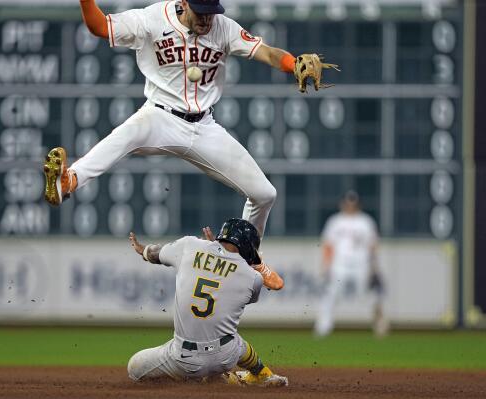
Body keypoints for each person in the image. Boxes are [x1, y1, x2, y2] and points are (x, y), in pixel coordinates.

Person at [43, 0, 337, 239]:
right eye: (202, 10)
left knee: (265, 194)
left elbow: (268, 53)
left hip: (204, 127)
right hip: (159, 115)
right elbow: (98, 26)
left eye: (212, 10)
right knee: (125, 135)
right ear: (183, 3)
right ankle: (69, 181)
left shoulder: (223, 28)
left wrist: (291, 62)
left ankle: (248, 258)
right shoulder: (151, 19)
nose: (208, 18)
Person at [127, 218, 288, 386]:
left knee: (135, 367)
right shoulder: (253, 277)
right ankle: (261, 375)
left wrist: (143, 250)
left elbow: (155, 254)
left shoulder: (189, 246)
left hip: (184, 358)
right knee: (236, 341)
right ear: (248, 246)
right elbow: (225, 295)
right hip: (226, 356)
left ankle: (192, 380)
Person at [314, 191, 389, 337]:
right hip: (340, 264)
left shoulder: (366, 221)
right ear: (342, 203)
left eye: (353, 203)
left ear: (358, 204)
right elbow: (328, 245)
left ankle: (379, 324)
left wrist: (374, 265)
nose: (350, 205)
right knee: (331, 294)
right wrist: (325, 264)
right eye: (348, 202)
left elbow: (372, 245)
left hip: (361, 263)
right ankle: (323, 327)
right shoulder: (335, 221)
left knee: (368, 295)